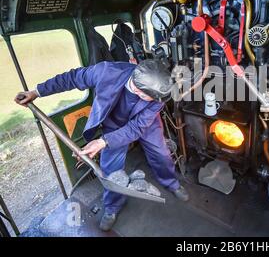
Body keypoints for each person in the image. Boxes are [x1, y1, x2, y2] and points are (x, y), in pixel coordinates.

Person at [15, 59, 189, 232]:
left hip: (145, 124)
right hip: (114, 124)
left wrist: (102, 142)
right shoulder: (106, 71)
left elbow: (136, 128)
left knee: (161, 153)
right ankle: (112, 208)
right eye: (149, 98)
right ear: (138, 90)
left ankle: (172, 183)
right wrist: (37, 92)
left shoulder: (157, 94)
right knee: (111, 170)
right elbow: (72, 78)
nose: (155, 101)